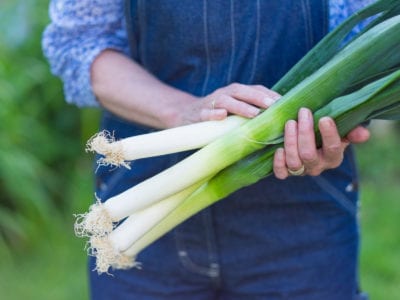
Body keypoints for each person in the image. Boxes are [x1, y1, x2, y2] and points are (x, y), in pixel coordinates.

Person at [43, 0, 374, 299]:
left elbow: (369, 45)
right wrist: (181, 110)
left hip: (304, 221)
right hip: (142, 192)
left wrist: (334, 122)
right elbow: (80, 43)